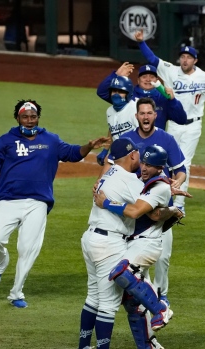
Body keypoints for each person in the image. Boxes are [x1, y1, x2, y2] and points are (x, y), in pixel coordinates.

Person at [0, 99, 109, 308]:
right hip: (9, 200)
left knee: (27, 248)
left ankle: (16, 293)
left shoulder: (51, 140)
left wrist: (90, 146)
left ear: (38, 118)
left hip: (38, 202)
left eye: (33, 117)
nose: (29, 121)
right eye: (25, 117)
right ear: (17, 118)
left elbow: (72, 153)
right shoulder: (5, 141)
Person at [94, 144, 186, 349]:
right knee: (132, 303)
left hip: (147, 243)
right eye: (143, 162)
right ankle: (148, 345)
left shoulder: (160, 187)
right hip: (134, 243)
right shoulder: (146, 181)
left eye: (149, 165)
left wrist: (106, 202)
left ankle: (161, 308)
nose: (143, 168)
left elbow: (137, 212)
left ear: (160, 167)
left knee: (122, 273)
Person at [135, 30, 205, 213]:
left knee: (185, 163)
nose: (184, 60)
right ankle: (163, 195)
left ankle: (180, 204)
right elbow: (152, 59)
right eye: (182, 57)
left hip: (194, 125)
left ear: (195, 60)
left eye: (188, 57)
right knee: (168, 161)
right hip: (174, 124)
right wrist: (141, 42)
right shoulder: (170, 71)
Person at [116, 97, 187, 307]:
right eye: (142, 113)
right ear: (136, 116)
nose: (146, 117)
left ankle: (161, 293)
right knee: (136, 254)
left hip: (161, 204)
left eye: (149, 113)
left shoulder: (167, 139)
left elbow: (180, 170)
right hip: (136, 205)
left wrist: (175, 183)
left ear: (155, 116)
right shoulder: (127, 139)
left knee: (163, 257)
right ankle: (140, 293)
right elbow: (114, 167)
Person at [78, 137, 143, 349]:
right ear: (132, 155)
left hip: (91, 238)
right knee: (108, 304)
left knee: (93, 298)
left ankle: (84, 346)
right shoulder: (131, 181)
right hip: (108, 243)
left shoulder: (108, 174)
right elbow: (146, 208)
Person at [96, 62, 187, 131]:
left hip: (155, 147)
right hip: (130, 147)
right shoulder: (128, 94)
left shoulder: (163, 98)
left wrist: (173, 100)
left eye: (151, 76)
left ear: (157, 80)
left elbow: (181, 120)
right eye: (144, 77)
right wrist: (116, 75)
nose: (148, 79)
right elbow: (102, 92)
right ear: (138, 80)